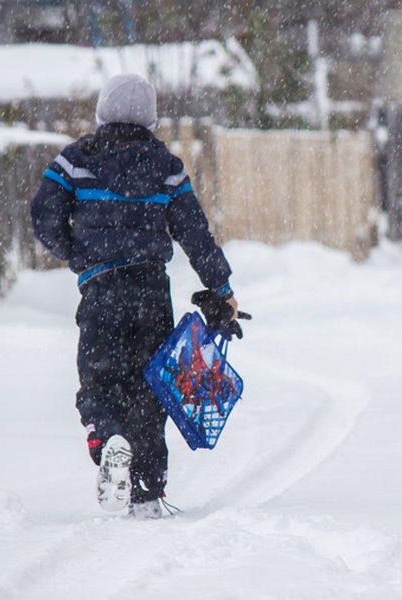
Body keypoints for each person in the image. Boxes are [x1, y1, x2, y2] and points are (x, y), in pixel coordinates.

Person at [31, 73, 245, 519]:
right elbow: (195, 233)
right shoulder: (165, 167)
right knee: (151, 387)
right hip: (150, 291)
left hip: (101, 290)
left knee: (99, 380)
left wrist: (78, 255)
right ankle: (147, 488)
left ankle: (107, 436)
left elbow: (44, 216)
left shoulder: (74, 161)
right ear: (150, 117)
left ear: (103, 111)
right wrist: (221, 289)